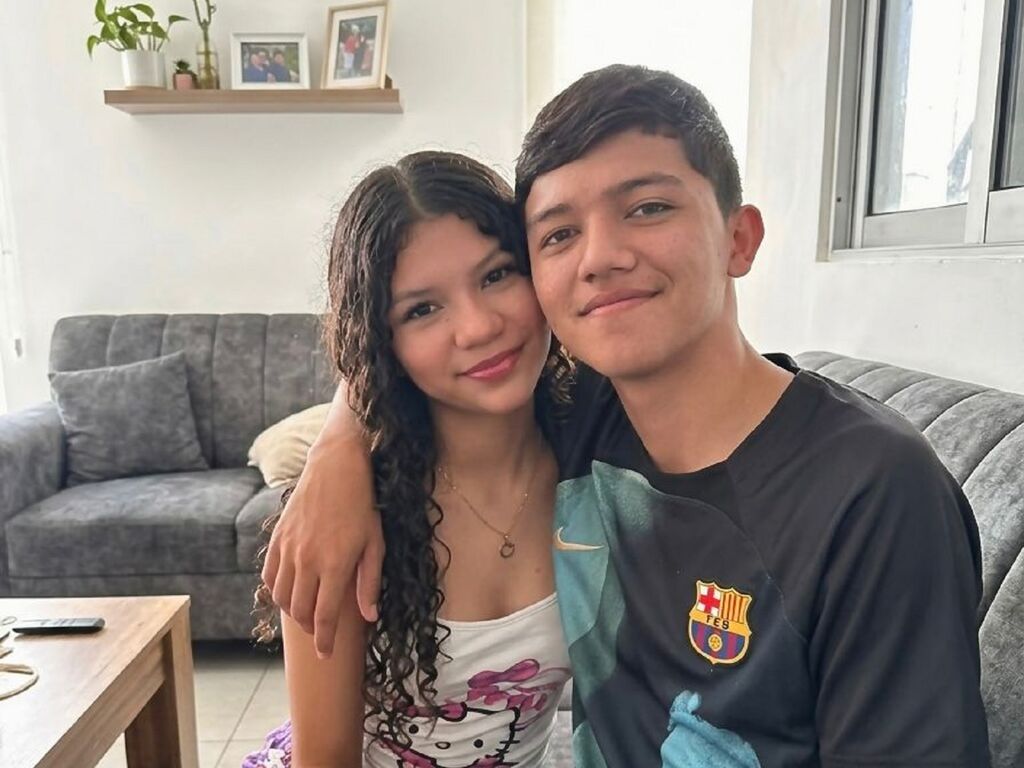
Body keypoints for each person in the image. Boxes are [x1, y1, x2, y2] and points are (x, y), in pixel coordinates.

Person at [262, 65, 991, 766]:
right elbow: (390, 355)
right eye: (559, 234)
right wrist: (336, 454)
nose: (601, 258)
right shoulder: (582, 422)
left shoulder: (871, 489)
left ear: (739, 239)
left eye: (648, 208)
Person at [243, 151, 572, 767]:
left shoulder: (598, 455)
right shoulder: (344, 518)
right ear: (382, 341)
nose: (478, 327)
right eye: (421, 309)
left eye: (497, 275)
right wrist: (341, 443)